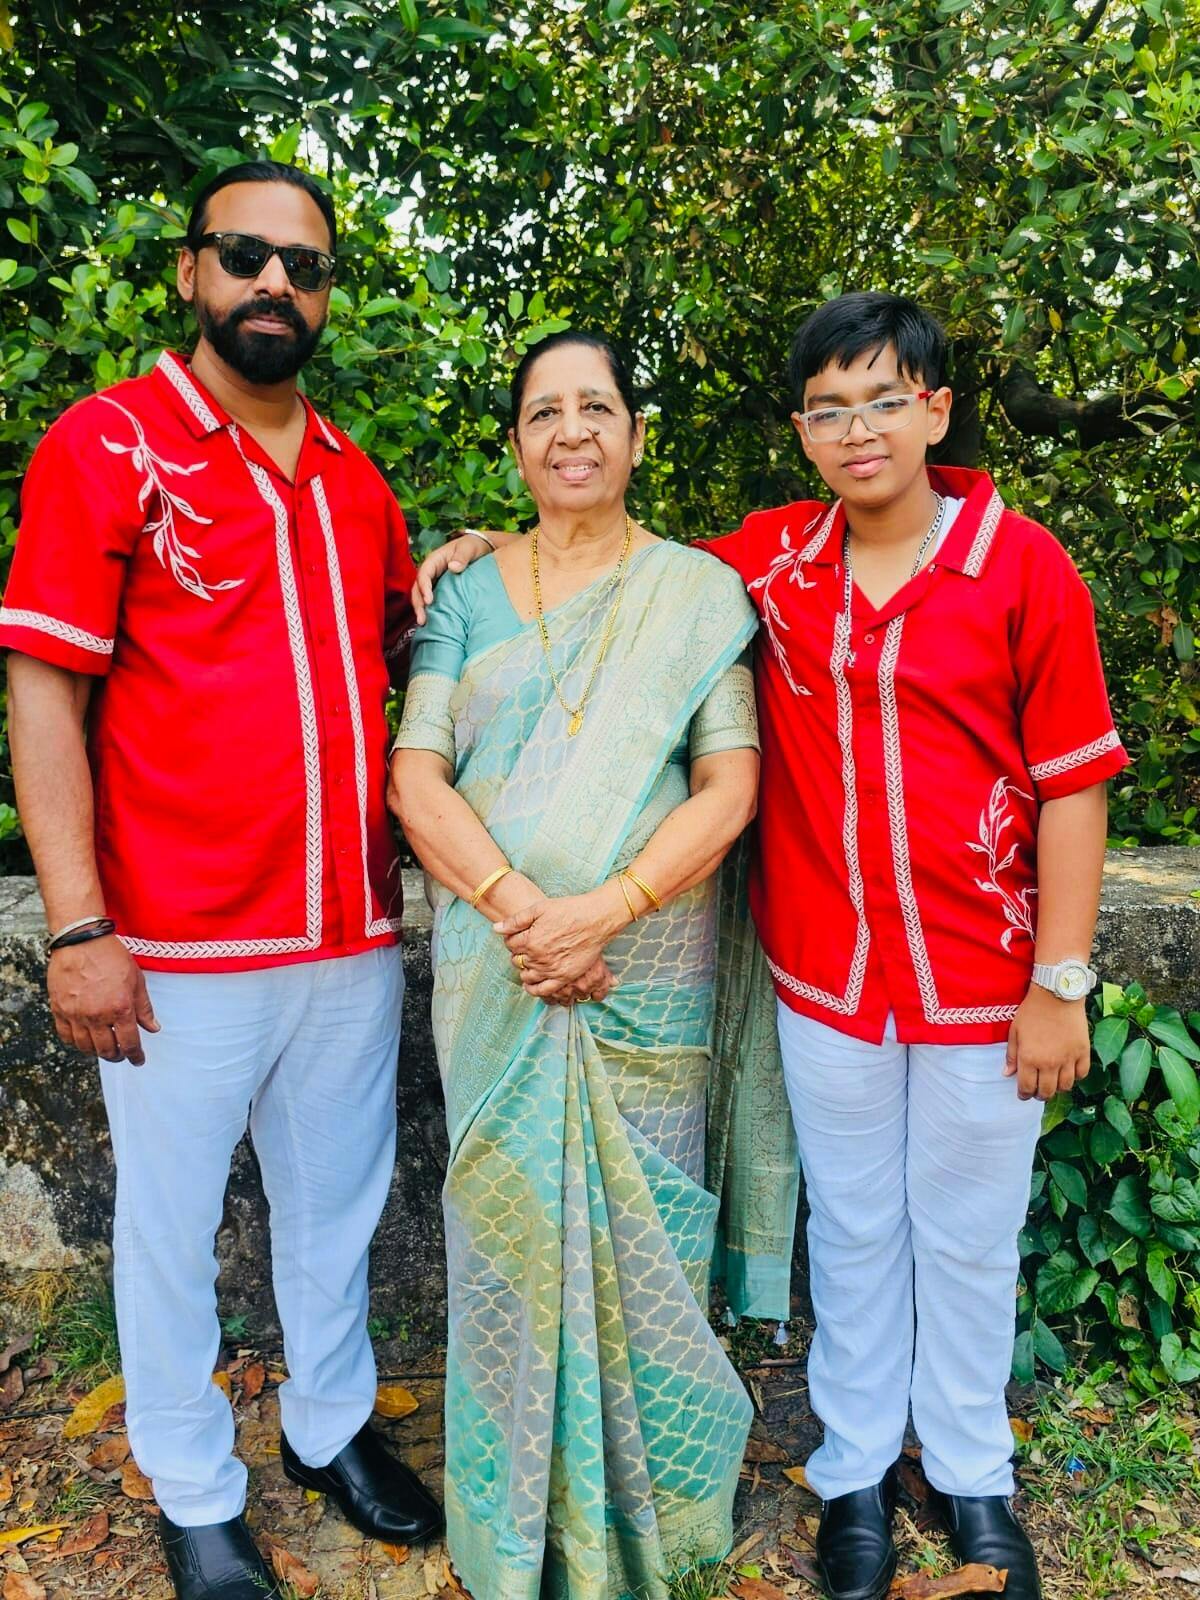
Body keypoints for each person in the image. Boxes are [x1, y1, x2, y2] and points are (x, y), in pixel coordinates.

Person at [413, 294, 1128, 1600]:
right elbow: (613, 567)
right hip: (830, 977)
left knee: (970, 1236)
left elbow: (1074, 783)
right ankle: (854, 1472)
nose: (860, 431)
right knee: (850, 1231)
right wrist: (499, 545)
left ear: (936, 412)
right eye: (830, 409)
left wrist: (1060, 984)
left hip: (985, 975)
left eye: (886, 401)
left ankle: (971, 1478)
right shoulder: (776, 562)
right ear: (801, 430)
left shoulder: (1022, 567)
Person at [1, 160, 441, 1600]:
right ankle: (193, 1487)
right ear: (192, 270)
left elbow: (411, 652)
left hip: (348, 929)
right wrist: (78, 924)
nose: (273, 284)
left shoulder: (355, 478)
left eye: (303, 266)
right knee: (172, 1226)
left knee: (337, 1207)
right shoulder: (110, 442)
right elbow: (46, 687)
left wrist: (485, 566)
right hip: (176, 938)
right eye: (245, 255)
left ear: (326, 297)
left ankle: (328, 1427)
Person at [389, 330, 798, 1600]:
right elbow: (416, 776)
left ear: (634, 433)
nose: (572, 430)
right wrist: (526, 912)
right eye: (544, 412)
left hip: (647, 972)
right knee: (507, 1235)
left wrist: (605, 909)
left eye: (597, 407)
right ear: (517, 443)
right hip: (500, 968)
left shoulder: (697, 594)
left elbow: (730, 785)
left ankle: (658, 1514)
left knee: (650, 1235)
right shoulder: (464, 594)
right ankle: (517, 1527)